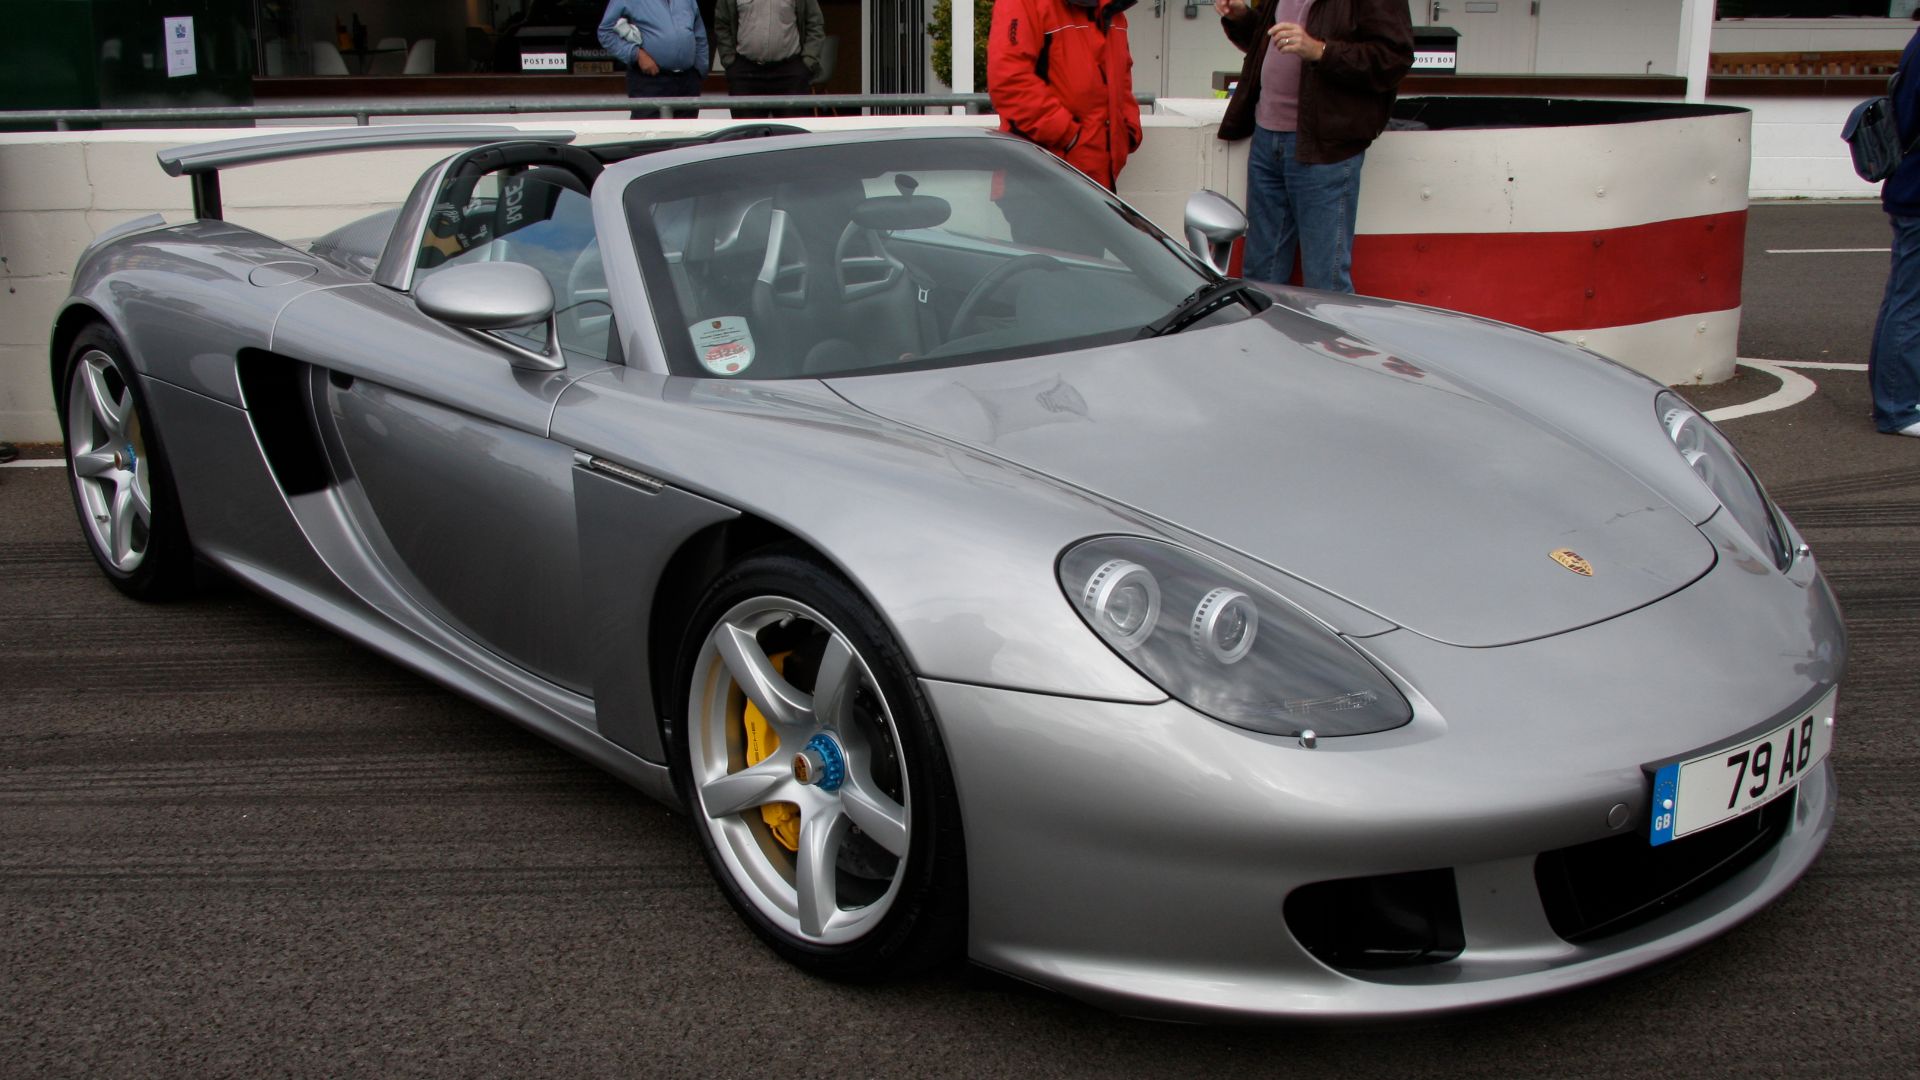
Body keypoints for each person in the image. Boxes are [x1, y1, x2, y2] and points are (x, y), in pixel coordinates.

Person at [1213, 0, 1411, 292]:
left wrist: (1321, 51)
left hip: (1326, 146)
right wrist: (1242, 18)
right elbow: (1270, 42)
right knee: (1259, 276)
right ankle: (1263, 339)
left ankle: (1327, 340)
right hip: (1267, 138)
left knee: (1324, 281)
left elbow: (1393, 58)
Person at [986, 0, 1143, 193]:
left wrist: (1129, 132)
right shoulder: (1024, 3)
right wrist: (1070, 137)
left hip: (1099, 181)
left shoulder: (1113, 10)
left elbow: (1121, 79)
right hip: (1038, 183)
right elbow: (1009, 80)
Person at [1871, 16, 1920, 436]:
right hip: (1918, 190)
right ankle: (1898, 406)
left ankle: (1900, 398)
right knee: (1909, 303)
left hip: (1911, 186)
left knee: (1905, 300)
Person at [598, 0, 710, 119]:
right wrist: (636, 54)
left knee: (687, 134)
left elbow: (699, 34)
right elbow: (606, 31)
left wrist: (699, 72)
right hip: (650, 81)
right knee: (650, 133)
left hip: (687, 82)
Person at [714, 0, 826, 119]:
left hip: (790, 75)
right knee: (748, 133)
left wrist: (808, 61)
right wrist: (730, 61)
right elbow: (721, 24)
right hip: (745, 75)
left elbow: (815, 23)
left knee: (792, 133)